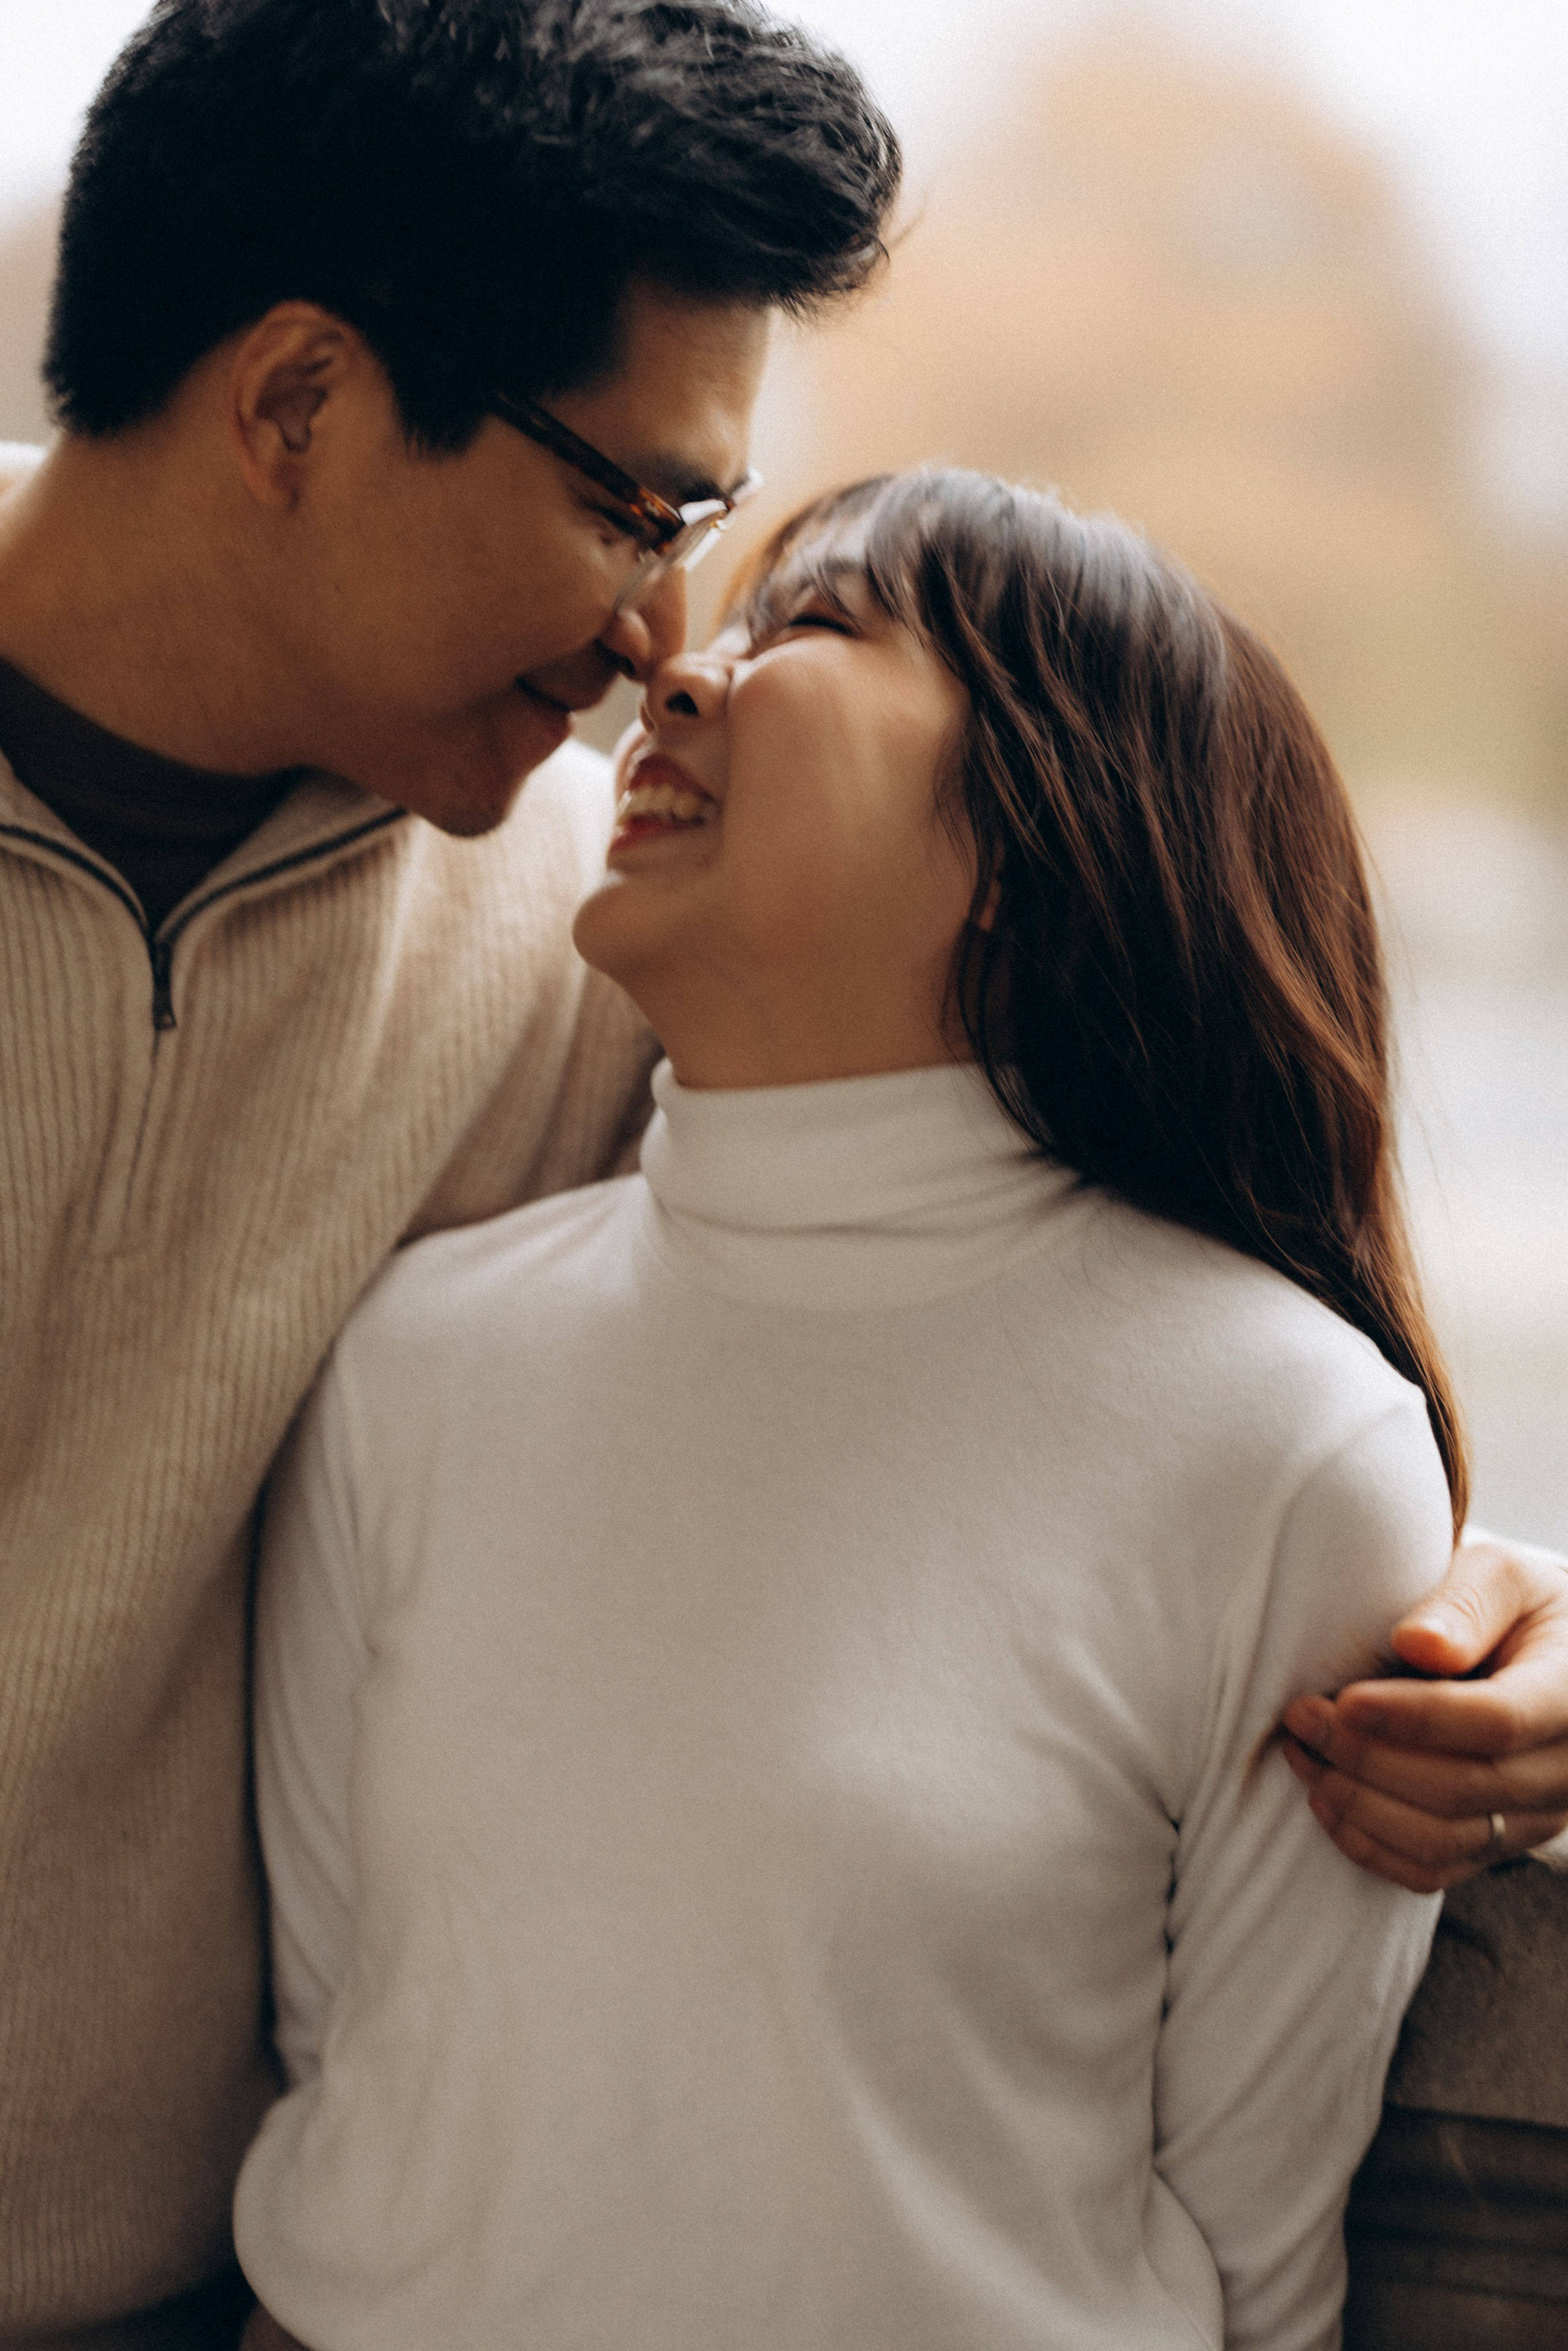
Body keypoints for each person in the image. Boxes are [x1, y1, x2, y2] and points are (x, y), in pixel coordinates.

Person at [235, 468, 1475, 2349]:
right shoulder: (418, 1354)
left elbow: (1249, 2257)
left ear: (1040, 839)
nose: (677, 679)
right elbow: (352, 2052)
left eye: (808, 628)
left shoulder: (1289, 1449)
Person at [0, 4, 900, 2345]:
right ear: (296, 402)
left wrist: (1442, 1600)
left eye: (697, 529)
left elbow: (962, 1314)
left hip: (186, 2293)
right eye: (631, 504)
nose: (660, 636)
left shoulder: (604, 941)